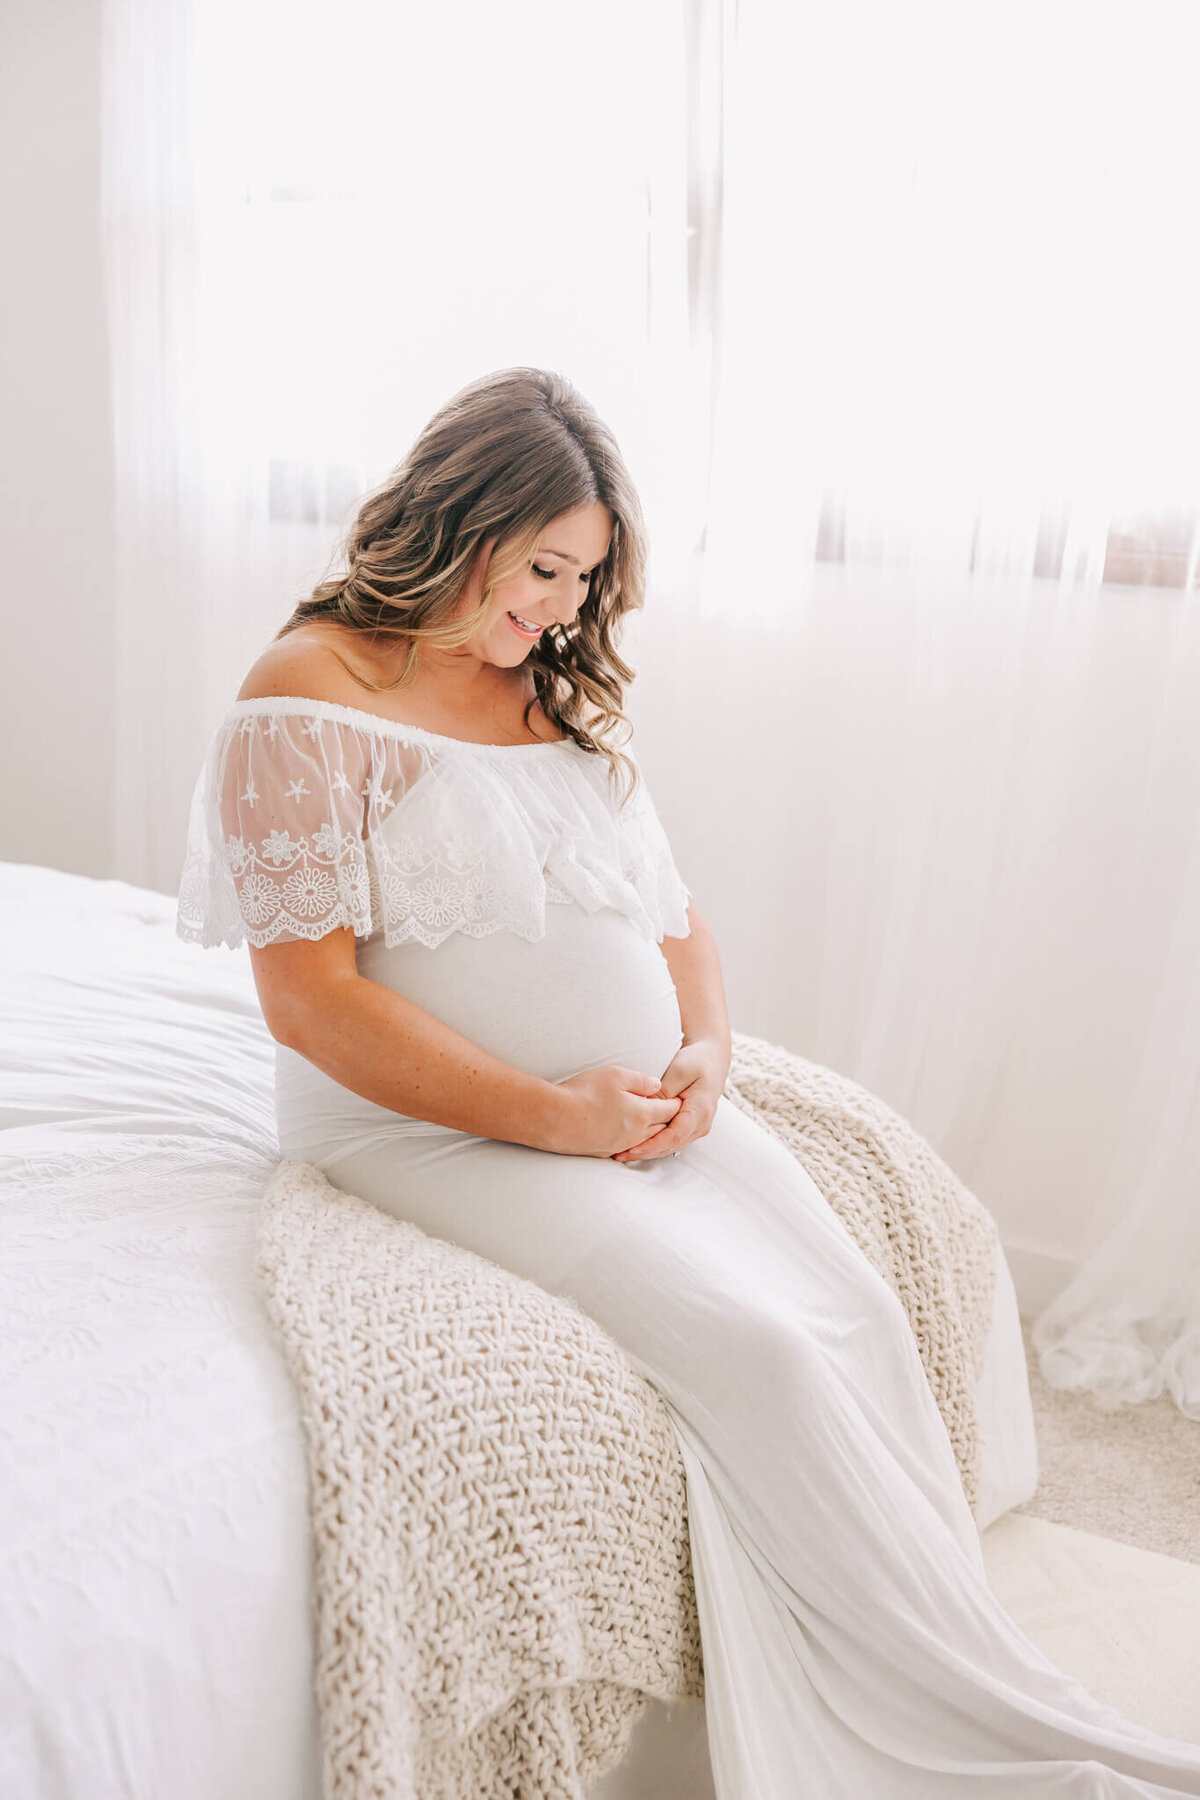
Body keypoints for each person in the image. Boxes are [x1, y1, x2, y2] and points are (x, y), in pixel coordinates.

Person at [177, 366, 1200, 1797]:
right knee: (763, 1353)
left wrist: (707, 1055)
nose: (554, 609)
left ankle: (964, 1660)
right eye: (541, 569)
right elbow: (312, 1007)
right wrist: (555, 1115)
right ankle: (935, 1734)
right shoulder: (310, 693)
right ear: (461, 519)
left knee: (849, 1305)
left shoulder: (539, 689)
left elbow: (674, 916)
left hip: (622, 1116)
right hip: (425, 1137)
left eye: (581, 582)